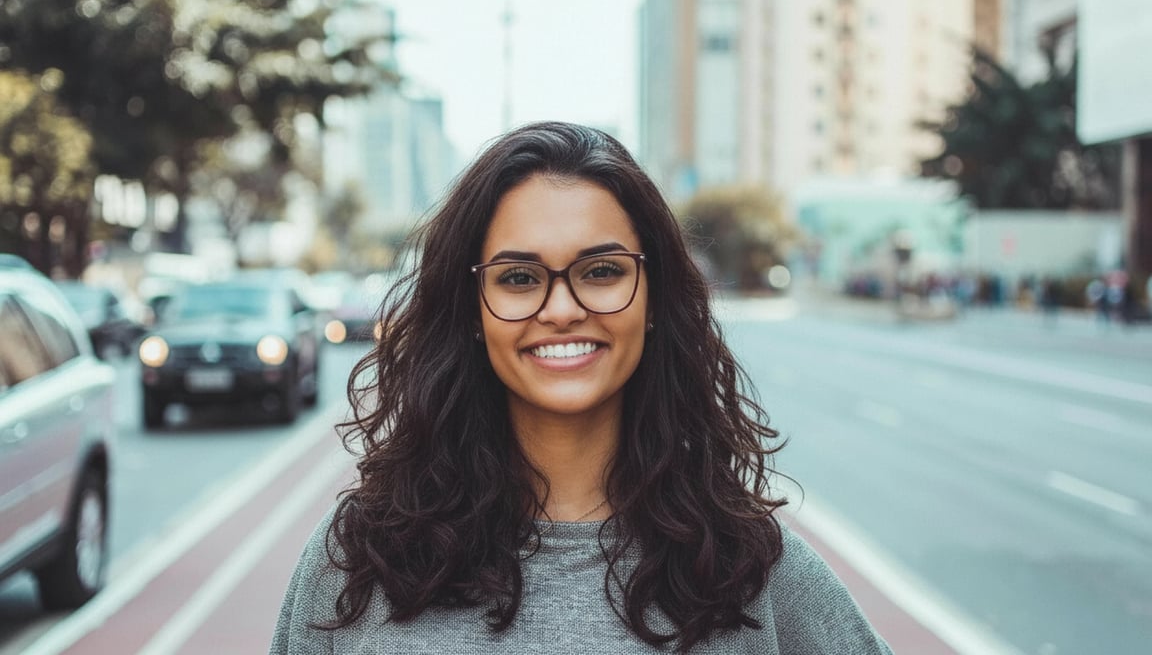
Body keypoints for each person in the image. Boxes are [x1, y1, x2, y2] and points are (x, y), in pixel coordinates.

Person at [271, 122, 892, 654]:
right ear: (471, 310)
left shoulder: (752, 567)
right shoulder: (359, 557)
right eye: (519, 277)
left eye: (601, 271)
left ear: (652, 299)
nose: (562, 308)